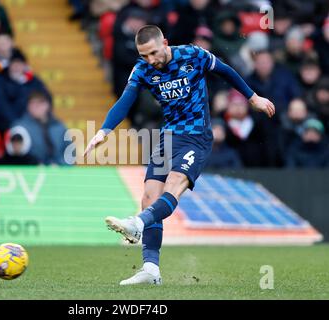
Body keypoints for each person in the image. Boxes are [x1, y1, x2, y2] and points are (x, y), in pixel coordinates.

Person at [84, 25, 275, 285]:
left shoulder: (193, 55)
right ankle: (151, 270)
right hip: (168, 137)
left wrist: (253, 97)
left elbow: (225, 71)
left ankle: (137, 224)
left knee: (172, 187)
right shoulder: (142, 70)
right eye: (144, 55)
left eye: (153, 53)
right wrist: (104, 130)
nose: (150, 60)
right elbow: (125, 101)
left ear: (165, 42)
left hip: (196, 136)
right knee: (149, 197)